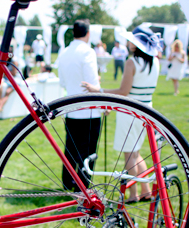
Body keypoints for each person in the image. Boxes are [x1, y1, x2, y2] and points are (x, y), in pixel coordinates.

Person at [83, 25, 162, 203]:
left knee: (129, 155)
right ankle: (145, 189)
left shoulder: (132, 62)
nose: (128, 43)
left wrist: (98, 90)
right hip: (147, 109)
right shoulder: (154, 61)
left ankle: (133, 193)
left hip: (131, 110)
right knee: (136, 153)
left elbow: (123, 91)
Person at [57, 19, 101, 191]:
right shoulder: (88, 52)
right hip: (89, 109)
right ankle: (82, 186)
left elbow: (62, 82)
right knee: (87, 151)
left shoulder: (64, 52)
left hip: (71, 108)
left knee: (70, 148)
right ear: (88, 34)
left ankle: (68, 182)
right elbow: (91, 84)